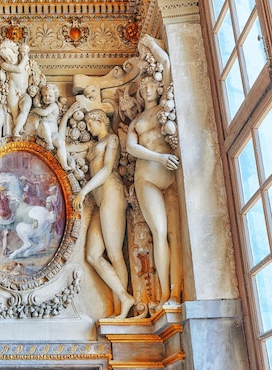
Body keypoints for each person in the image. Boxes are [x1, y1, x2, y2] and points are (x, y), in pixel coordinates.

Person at [126, 34, 181, 307]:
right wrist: (159, 157)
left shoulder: (164, 108)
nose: (146, 89)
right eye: (143, 87)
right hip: (147, 175)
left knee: (175, 235)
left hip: (169, 173)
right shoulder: (136, 121)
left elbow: (168, 63)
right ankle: (162, 296)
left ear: (159, 89)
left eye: (150, 85)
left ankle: (174, 292)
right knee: (159, 231)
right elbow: (132, 150)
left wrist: (149, 42)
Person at [71, 109, 135, 319]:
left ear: (102, 122)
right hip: (100, 201)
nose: (88, 128)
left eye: (91, 124)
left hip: (111, 192)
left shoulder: (112, 139)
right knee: (92, 254)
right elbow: (67, 147)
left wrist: (84, 191)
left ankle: (122, 308)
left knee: (115, 252)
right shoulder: (92, 145)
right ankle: (124, 298)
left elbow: (107, 169)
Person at [0, 40, 34, 136]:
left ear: (13, 50)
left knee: (26, 107)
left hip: (24, 92)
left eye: (5, 49)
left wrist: (24, 53)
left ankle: (18, 129)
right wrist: (26, 57)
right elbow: (18, 69)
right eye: (1, 51)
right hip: (12, 91)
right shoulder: (4, 64)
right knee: (15, 115)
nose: (2, 51)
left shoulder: (22, 58)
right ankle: (17, 130)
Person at [29, 83, 70, 169]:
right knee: (44, 123)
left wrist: (35, 110)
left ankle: (65, 165)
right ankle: (49, 143)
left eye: (50, 96)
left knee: (60, 143)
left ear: (55, 97)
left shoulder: (54, 105)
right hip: (43, 132)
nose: (47, 98)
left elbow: (44, 113)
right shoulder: (43, 106)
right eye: (45, 96)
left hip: (53, 132)